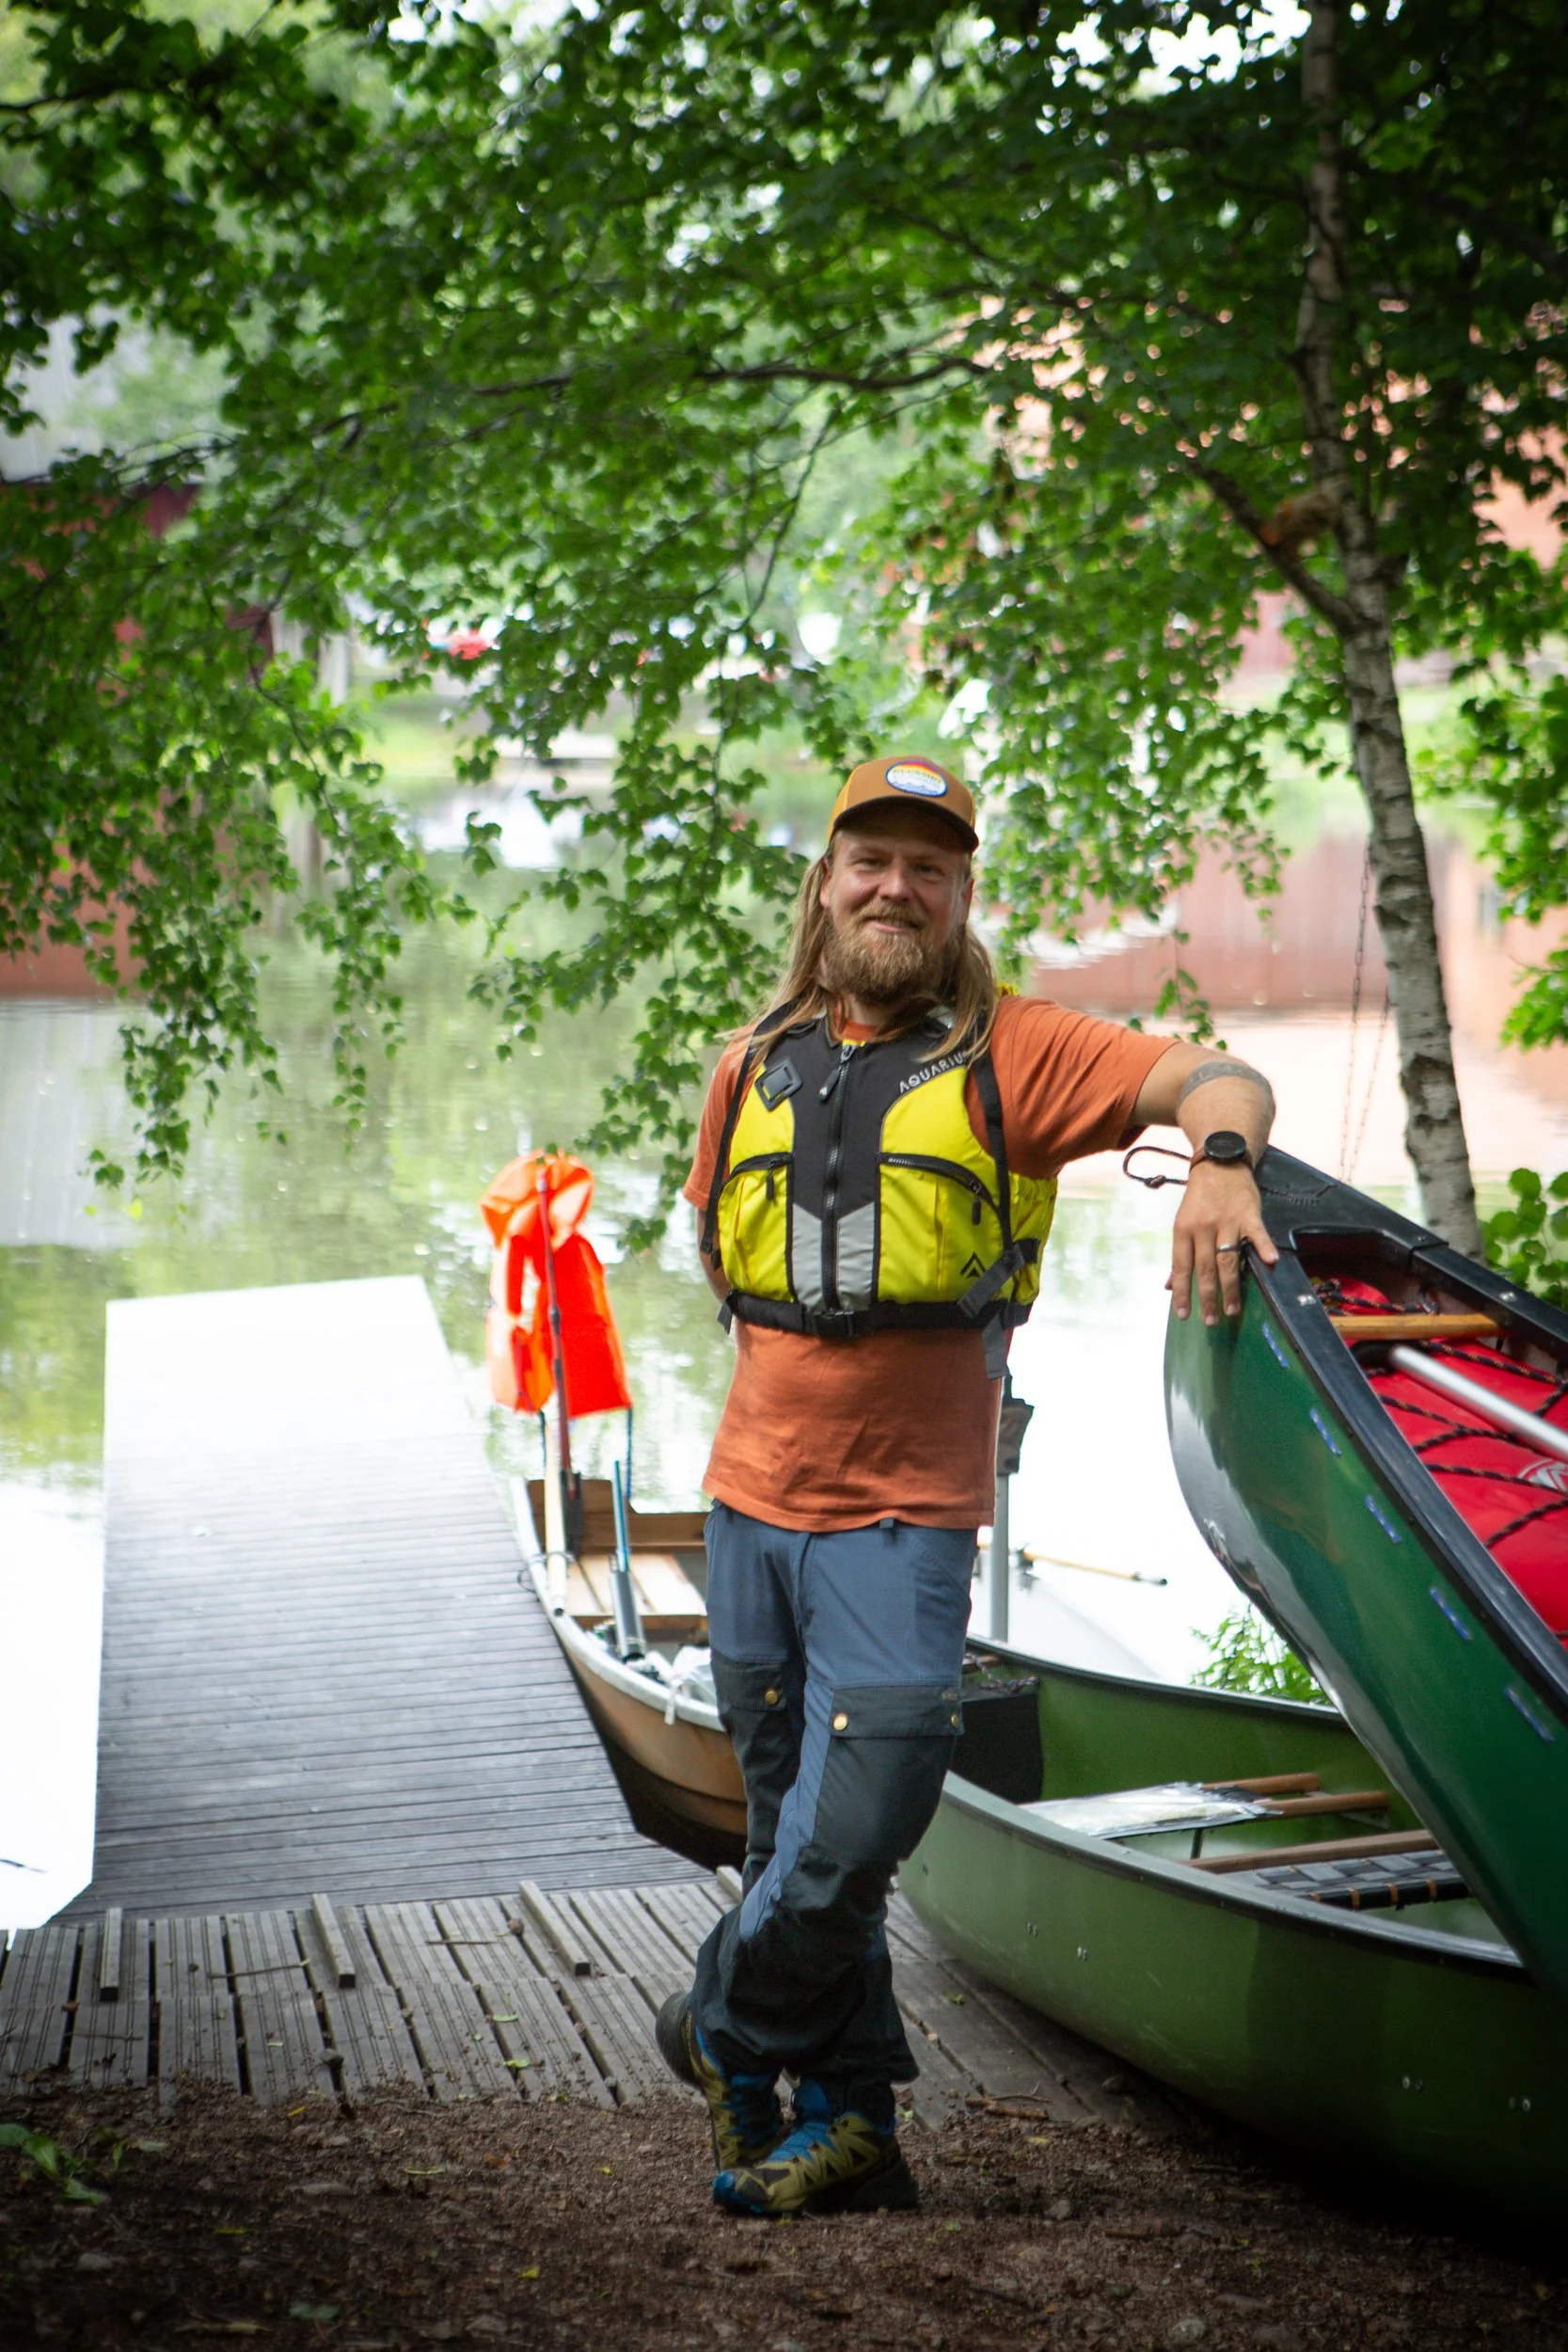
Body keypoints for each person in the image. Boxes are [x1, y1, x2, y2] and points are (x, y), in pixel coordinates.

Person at [657, 751, 1276, 2218]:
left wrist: (1224, 1162)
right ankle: (849, 2123)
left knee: (855, 1824)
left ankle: (716, 2029)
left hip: (902, 1521)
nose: (895, 886)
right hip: (746, 1508)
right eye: (870, 859)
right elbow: (719, 1258)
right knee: (785, 1837)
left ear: (957, 896)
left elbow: (1212, 1073)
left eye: (927, 868)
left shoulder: (1021, 1052)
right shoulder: (748, 1062)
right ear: (826, 882)